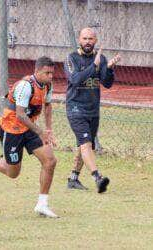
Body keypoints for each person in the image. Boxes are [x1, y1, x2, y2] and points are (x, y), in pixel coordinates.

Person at [0, 56, 58, 218]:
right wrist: (40, 132)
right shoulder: (26, 86)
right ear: (36, 71)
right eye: (46, 73)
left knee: (50, 161)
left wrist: (48, 130)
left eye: (52, 73)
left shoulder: (47, 86)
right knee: (13, 173)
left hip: (29, 129)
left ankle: (42, 204)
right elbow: (20, 115)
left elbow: (48, 106)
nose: (50, 76)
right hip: (12, 130)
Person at [64, 27, 121, 193]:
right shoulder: (71, 58)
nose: (87, 42)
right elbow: (75, 79)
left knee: (85, 145)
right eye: (84, 38)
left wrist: (109, 68)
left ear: (95, 41)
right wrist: (93, 66)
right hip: (75, 107)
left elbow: (107, 83)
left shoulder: (101, 58)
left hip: (93, 109)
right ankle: (97, 177)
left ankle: (73, 178)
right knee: (86, 143)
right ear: (79, 40)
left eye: (91, 39)